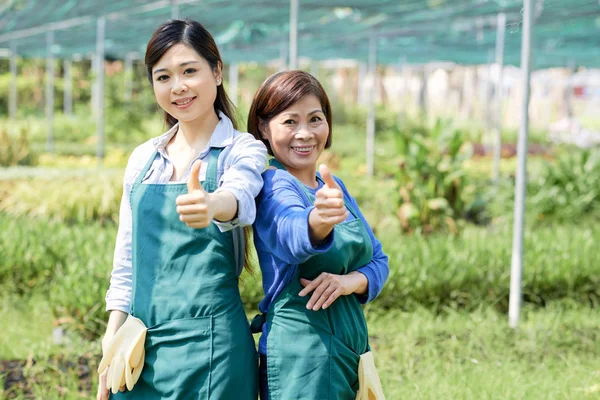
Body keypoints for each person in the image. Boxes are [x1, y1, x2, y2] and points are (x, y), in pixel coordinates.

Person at [97, 19, 267, 400]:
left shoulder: (242, 149)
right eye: (163, 77)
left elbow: (240, 196)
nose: (178, 87)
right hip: (140, 344)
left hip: (212, 349)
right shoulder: (144, 158)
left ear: (217, 71)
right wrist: (112, 336)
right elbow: (126, 260)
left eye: (190, 71)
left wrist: (211, 204)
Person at [248, 70, 389, 399]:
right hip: (303, 357)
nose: (305, 133)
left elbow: (380, 260)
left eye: (315, 119)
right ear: (263, 129)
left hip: (346, 349)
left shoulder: (334, 186)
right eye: (289, 122)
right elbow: (292, 236)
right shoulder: (273, 185)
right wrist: (319, 220)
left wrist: (349, 282)